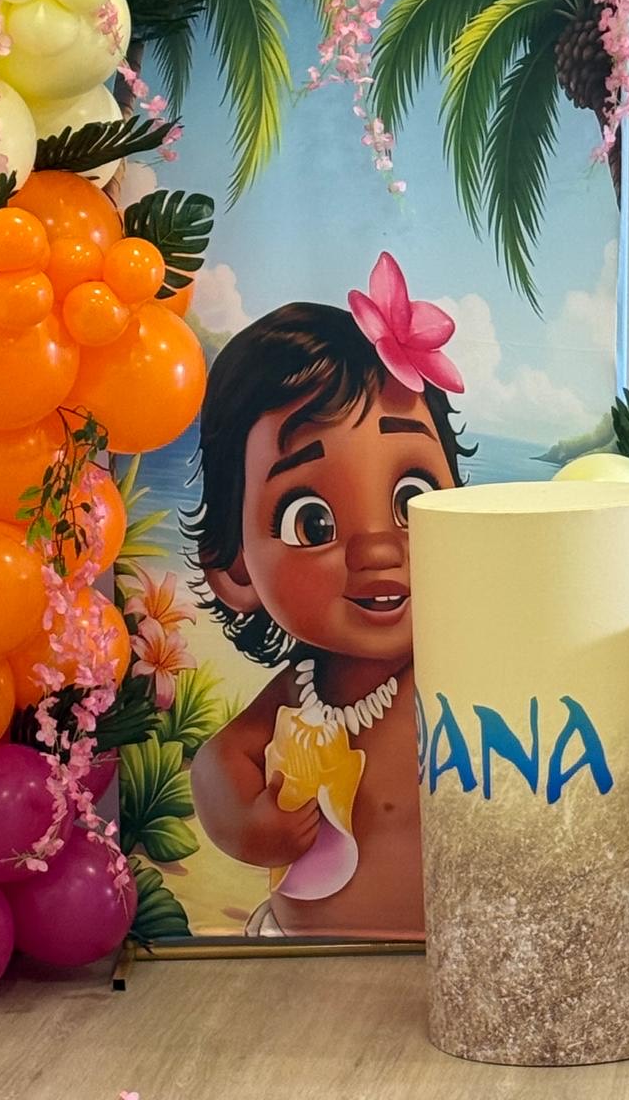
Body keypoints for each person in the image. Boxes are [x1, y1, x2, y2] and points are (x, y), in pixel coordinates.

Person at [189, 254, 469, 938]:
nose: (378, 549)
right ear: (236, 570)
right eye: (311, 522)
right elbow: (220, 761)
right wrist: (249, 824)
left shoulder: (457, 676)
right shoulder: (303, 692)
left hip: (446, 966)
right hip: (297, 957)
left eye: (412, 498)